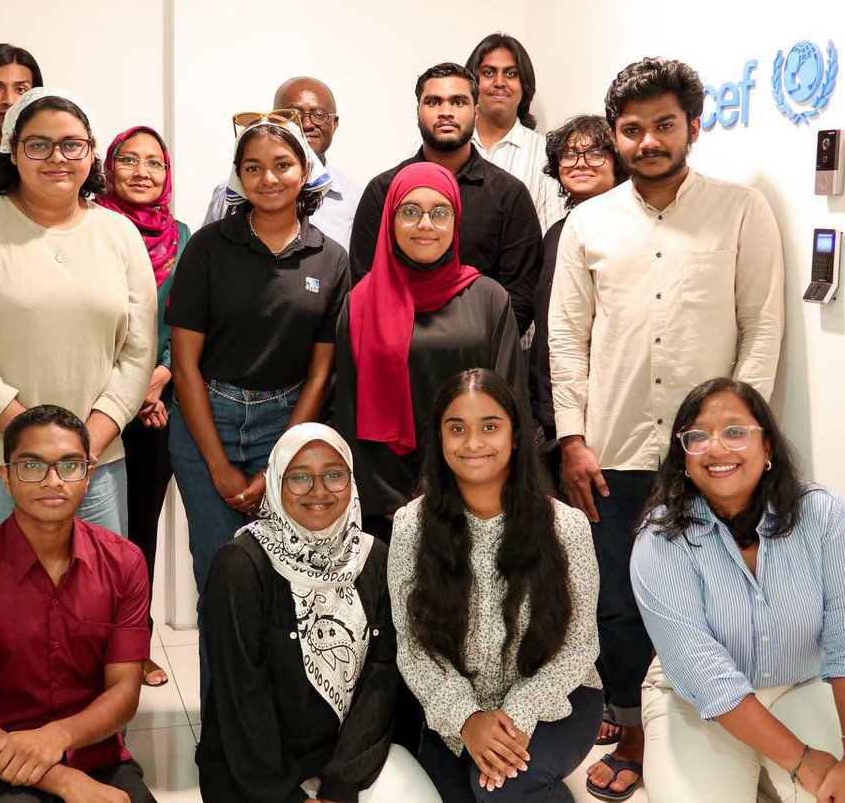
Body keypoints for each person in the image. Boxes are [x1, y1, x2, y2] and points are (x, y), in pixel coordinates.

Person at [548, 57, 786, 800]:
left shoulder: (741, 211)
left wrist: (738, 439)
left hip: (708, 459)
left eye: (664, 124)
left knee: (712, 603)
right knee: (620, 603)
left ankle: (706, 737)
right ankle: (637, 731)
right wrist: (573, 439)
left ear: (691, 125)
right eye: (632, 129)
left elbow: (763, 325)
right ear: (614, 135)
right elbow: (565, 337)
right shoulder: (589, 222)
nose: (648, 140)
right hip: (613, 452)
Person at [0, 87, 157, 558]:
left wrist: (83, 448)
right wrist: (31, 440)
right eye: (38, 144)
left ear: (91, 152)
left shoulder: (118, 233)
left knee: (90, 609)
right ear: (12, 150)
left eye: (72, 144)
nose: (57, 158)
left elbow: (138, 351)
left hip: (94, 463)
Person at [632, 378, 845, 803]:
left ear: (766, 447)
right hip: (694, 703)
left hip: (799, 683)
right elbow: (707, 678)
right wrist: (802, 761)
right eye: (697, 437)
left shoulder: (825, 518)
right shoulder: (660, 539)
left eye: (735, 431)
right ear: (684, 459)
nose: (716, 448)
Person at [165, 114, 349, 695]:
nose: (268, 178)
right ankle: (224, 727)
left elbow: (322, 369)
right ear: (238, 178)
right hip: (207, 417)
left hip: (289, 421)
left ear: (305, 172)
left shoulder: (331, 257)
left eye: (282, 164)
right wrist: (219, 466)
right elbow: (186, 363)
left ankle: (283, 719)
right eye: (253, 168)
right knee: (220, 576)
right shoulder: (210, 248)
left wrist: (278, 462)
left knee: (288, 579)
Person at [196, 422, 441, 803]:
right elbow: (241, 697)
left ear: (352, 480)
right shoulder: (241, 566)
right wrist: (288, 796)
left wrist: (339, 785)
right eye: (299, 478)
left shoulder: (373, 557)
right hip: (256, 773)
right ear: (276, 484)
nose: (319, 491)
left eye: (333, 475)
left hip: (349, 759)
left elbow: (381, 678)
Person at [388, 368, 602, 803]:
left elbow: (580, 645)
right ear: (440, 439)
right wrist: (467, 719)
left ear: (517, 435)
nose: (473, 443)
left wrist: (513, 716)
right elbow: (412, 647)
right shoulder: (412, 526)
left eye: (489, 426)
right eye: (457, 429)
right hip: (454, 709)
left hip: (556, 701)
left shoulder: (567, 527)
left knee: (499, 786)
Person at [0, 405, 156, 803]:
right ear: (7, 478)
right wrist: (63, 780)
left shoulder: (125, 563)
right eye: (32, 466)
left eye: (69, 466)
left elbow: (124, 693)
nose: (52, 481)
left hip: (95, 754)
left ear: (87, 477)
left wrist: (58, 736)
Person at [334, 161, 527, 543]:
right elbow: (348, 408)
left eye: (440, 213)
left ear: (456, 222)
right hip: (388, 510)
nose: (425, 224)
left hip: (479, 496)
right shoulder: (360, 302)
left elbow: (510, 401)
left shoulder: (488, 297)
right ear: (390, 221)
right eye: (410, 212)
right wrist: (394, 504)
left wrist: (478, 489)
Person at [96, 125, 190, 689]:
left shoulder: (182, 237)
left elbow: (188, 319)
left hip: (159, 403)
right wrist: (127, 392)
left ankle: (134, 647)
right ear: (109, 167)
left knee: (138, 535)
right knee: (93, 534)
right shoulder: (90, 227)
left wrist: (156, 382)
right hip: (97, 401)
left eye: (153, 162)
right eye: (128, 160)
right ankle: (92, 648)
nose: (141, 172)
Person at [348, 62, 541, 335]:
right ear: (418, 112)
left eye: (458, 102)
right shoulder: (384, 190)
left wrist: (473, 352)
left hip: (478, 361)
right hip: (395, 350)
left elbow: (519, 297)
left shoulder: (508, 194)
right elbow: (365, 282)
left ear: (475, 112)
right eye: (434, 102)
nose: (446, 112)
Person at [528, 116, 627, 504]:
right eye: (570, 153)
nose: (580, 162)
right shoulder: (557, 232)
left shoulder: (627, 234)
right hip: (550, 417)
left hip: (600, 423)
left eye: (595, 152)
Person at [201, 77, 364, 249]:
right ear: (273, 119)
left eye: (319, 115)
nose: (307, 124)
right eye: (294, 114)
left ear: (334, 123)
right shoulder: (228, 195)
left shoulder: (355, 200)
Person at [465, 33, 562, 233]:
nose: (500, 82)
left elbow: (552, 235)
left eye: (511, 74)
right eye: (489, 72)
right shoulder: (442, 146)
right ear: (472, 84)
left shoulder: (546, 154)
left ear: (524, 86)